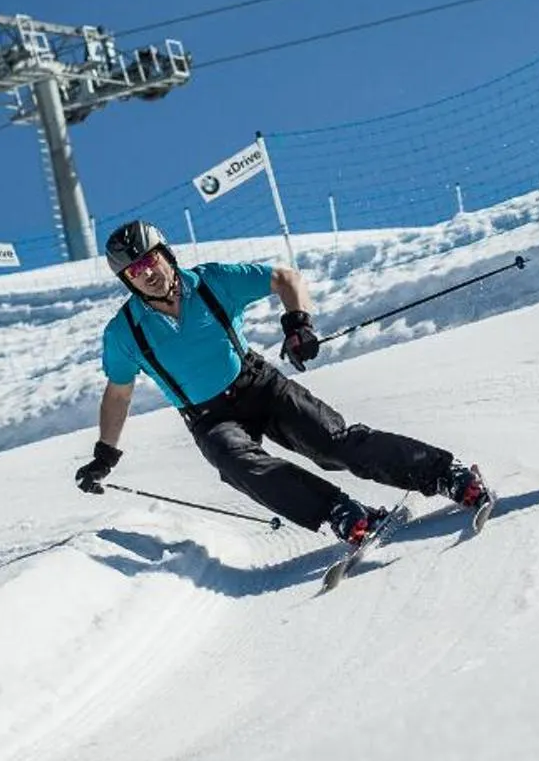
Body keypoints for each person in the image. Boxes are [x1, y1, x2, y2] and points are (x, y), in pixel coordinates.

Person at [73, 221, 493, 548]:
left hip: (258, 385)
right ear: (127, 281)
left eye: (150, 261)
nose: (147, 274)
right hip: (208, 417)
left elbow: (285, 279)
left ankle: (445, 474)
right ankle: (343, 513)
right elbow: (118, 393)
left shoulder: (213, 281)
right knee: (237, 464)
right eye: (135, 271)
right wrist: (106, 453)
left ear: (166, 254)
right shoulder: (123, 332)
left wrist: (298, 324)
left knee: (333, 442)